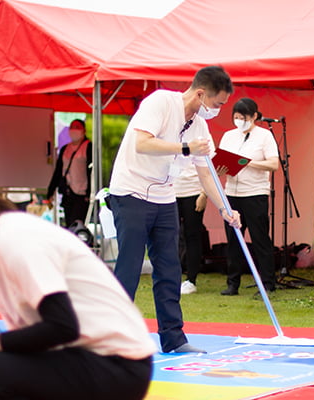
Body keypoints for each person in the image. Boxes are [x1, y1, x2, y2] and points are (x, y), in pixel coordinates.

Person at [0, 162, 156, 400]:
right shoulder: (0, 246)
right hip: (94, 359)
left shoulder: (15, 239)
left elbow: (63, 326)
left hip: (118, 365)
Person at [108, 65, 240, 353]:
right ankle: (111, 336)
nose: (217, 110)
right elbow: (142, 143)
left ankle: (173, 338)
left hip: (164, 196)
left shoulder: (200, 126)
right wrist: (185, 148)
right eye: (217, 104)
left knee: (169, 268)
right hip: (131, 190)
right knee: (129, 267)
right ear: (202, 93)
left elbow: (207, 173)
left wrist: (225, 208)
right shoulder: (160, 102)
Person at [217, 98, 279, 297]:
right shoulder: (228, 136)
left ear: (254, 116)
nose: (239, 121)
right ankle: (232, 283)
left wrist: (247, 163)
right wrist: (222, 167)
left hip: (255, 193)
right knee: (234, 239)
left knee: (260, 239)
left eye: (243, 117)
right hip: (231, 194)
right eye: (236, 117)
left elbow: (273, 164)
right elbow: (219, 159)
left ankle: (268, 282)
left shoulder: (265, 136)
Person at [47, 119, 92, 227]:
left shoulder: (88, 147)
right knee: (68, 222)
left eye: (77, 127)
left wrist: (89, 192)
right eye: (72, 127)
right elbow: (58, 171)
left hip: (82, 192)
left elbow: (92, 171)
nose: (74, 130)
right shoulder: (65, 149)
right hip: (67, 191)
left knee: (77, 222)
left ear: (84, 130)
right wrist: (51, 191)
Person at [175, 163, 208, 294]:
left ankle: (191, 280)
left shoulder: (203, 141)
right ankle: (171, 277)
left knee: (192, 236)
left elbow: (210, 168)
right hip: (170, 192)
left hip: (194, 191)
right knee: (170, 236)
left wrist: (204, 194)